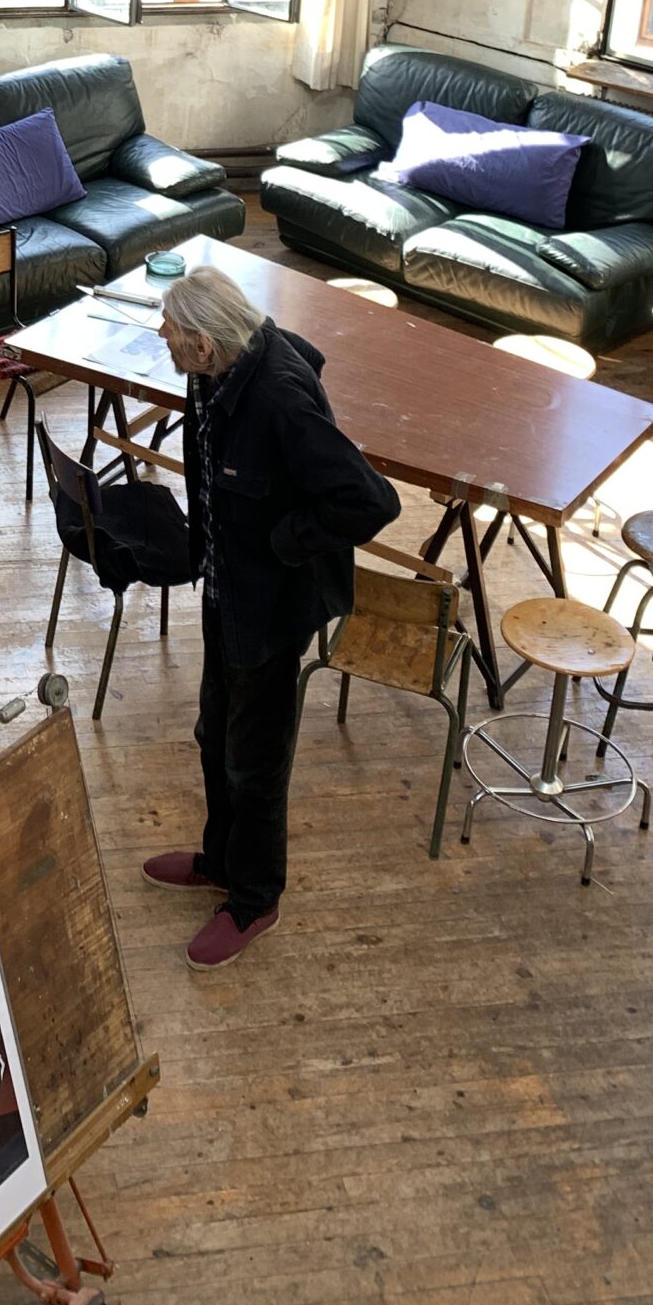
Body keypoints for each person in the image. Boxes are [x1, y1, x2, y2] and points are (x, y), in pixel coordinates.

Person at [143, 266, 398, 970]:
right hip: (227, 589)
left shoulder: (281, 398)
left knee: (256, 760)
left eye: (169, 327)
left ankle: (255, 899)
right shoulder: (213, 373)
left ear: (201, 340)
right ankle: (221, 861)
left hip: (270, 606)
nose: (160, 334)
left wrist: (282, 543)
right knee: (213, 732)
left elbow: (371, 503)